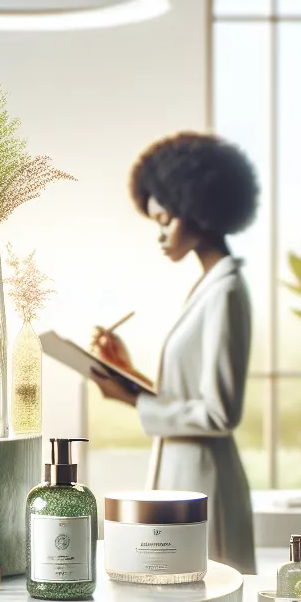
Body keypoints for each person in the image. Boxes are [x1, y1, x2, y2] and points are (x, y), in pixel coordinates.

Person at [90, 133, 258, 574]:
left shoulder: (225, 292)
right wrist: (126, 373)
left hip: (205, 482)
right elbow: (187, 392)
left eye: (165, 220)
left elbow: (221, 414)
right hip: (184, 476)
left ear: (198, 210)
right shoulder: (208, 288)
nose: (160, 235)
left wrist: (130, 399)